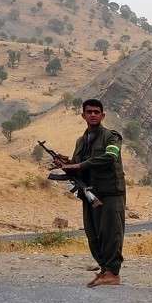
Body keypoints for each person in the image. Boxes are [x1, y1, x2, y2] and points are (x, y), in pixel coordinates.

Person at [56, 98, 126, 287]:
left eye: (96, 112)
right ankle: (104, 270)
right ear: (83, 115)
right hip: (89, 194)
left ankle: (113, 273)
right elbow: (78, 166)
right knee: (93, 234)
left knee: (111, 233)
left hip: (110, 192)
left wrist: (78, 165)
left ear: (103, 115)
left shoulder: (111, 137)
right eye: (89, 112)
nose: (93, 115)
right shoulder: (81, 141)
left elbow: (110, 157)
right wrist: (66, 164)